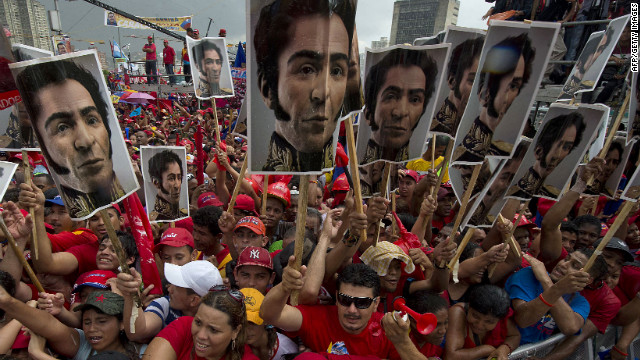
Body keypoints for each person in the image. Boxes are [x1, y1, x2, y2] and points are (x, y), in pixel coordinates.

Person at [15, 59, 127, 219]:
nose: (86, 140)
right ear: (41, 143)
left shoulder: (132, 201)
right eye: (62, 127)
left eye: (92, 120)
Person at [254, 0, 356, 172]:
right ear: (268, 90)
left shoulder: (344, 179)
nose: (324, 92)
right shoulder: (258, 188)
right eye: (306, 69)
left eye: (337, 71)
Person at [260, 262, 431, 359]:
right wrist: (284, 287)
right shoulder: (319, 317)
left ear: (376, 303)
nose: (352, 310)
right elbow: (269, 314)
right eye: (345, 300)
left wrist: (401, 342)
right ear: (336, 296)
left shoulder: (390, 331)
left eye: (362, 303)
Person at [452, 34, 536, 163]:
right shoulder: (460, 156)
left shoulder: (508, 152)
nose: (511, 96)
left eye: (515, 86)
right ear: (484, 92)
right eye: (510, 85)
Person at [0, 288, 146, 359]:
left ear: (122, 323)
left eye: (102, 321)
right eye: (86, 322)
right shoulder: (82, 342)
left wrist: (39, 354)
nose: (91, 329)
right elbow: (49, 325)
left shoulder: (144, 352)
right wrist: (8, 303)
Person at [506, 250, 604, 344]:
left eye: (575, 266)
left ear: (587, 280)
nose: (563, 265)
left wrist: (547, 282)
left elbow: (570, 327)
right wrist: (555, 288)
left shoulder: (580, 302)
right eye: (566, 259)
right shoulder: (529, 274)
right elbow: (523, 320)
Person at [360, 48, 438, 164]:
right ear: (368, 113)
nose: (401, 112)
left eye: (415, 99)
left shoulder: (410, 174)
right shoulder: (355, 174)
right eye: (391, 96)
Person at [116, 260, 223, 343]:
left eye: (176, 286)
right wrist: (131, 294)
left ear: (194, 300)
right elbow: (136, 332)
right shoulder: (165, 304)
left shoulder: (222, 322)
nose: (169, 289)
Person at [143, 286, 259, 359]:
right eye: (198, 322)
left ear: (235, 331)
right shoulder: (183, 326)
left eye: (213, 330)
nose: (201, 335)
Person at [507, 111, 586, 198]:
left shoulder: (554, 192)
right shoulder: (513, 189)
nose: (558, 155)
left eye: (566, 147)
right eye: (557, 144)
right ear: (538, 151)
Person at [445, 284, 521, 360]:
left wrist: (504, 349)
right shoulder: (458, 313)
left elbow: (514, 336)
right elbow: (451, 356)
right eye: (475, 316)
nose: (479, 325)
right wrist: (487, 350)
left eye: (489, 322)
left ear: (499, 319)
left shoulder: (502, 314)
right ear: (470, 306)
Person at [430, 37, 485, 137]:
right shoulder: (429, 132)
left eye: (485, 83)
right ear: (452, 81)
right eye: (472, 81)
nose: (480, 91)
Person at [240, 287, 298, 360]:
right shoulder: (233, 348)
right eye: (241, 324)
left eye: (252, 322)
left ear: (266, 320)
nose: (246, 330)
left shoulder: (287, 349)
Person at [560, 28, 614, 99]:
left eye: (601, 49)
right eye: (597, 50)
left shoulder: (589, 81)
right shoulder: (572, 84)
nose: (597, 56)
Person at [148, 149, 187, 221]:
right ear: (156, 182)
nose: (177, 185)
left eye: (179, 177)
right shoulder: (151, 220)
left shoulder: (185, 214)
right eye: (171, 178)